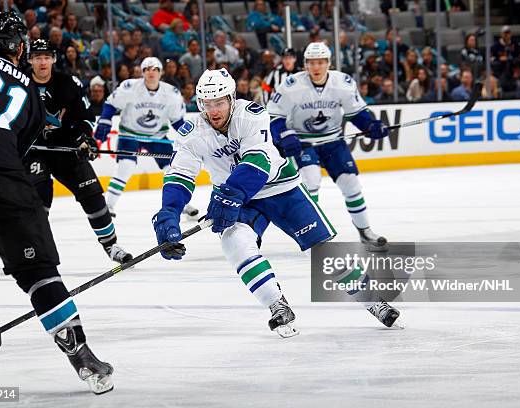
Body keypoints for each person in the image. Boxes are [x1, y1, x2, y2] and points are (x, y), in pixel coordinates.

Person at [152, 68, 401, 337]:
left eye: (220, 102)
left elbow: (257, 161)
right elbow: (180, 175)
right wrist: (169, 213)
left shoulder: (252, 115)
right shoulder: (192, 133)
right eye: (207, 103)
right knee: (236, 245)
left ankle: (374, 301)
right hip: (237, 197)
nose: (213, 110)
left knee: (321, 250)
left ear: (232, 98)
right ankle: (277, 306)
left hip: (279, 189)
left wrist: (231, 194)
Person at [0, 10, 113, 394]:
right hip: (3, 179)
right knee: (38, 271)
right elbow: (22, 149)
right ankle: (82, 355)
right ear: (20, 47)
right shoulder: (30, 93)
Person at [267, 42, 389, 252]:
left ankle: (365, 231)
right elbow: (274, 116)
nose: (316, 67)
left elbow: (356, 113)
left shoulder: (343, 82)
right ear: (305, 64)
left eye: (321, 62)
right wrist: (285, 136)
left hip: (333, 140)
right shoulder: (291, 84)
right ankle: (315, 236)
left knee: (351, 184)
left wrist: (371, 125)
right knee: (311, 181)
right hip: (304, 142)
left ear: (328, 63)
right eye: (312, 63)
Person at [23, 39, 133, 264]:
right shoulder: (19, 82)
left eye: (46, 57)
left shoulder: (68, 83)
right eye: (37, 57)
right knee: (39, 197)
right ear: (30, 59)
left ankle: (111, 246)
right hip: (33, 152)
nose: (42, 62)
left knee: (92, 195)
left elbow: (85, 116)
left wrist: (85, 139)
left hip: (66, 148)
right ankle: (34, 250)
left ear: (53, 59)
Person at [94, 57, 198, 218]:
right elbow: (111, 103)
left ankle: (181, 203)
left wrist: (188, 136)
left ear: (160, 72)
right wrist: (105, 121)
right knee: (125, 167)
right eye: (147, 69)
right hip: (130, 134)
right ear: (142, 72)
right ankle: (109, 204)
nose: (151, 72)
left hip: (157, 135)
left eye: (155, 69)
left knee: (172, 168)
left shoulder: (171, 93)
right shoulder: (130, 87)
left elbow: (177, 120)